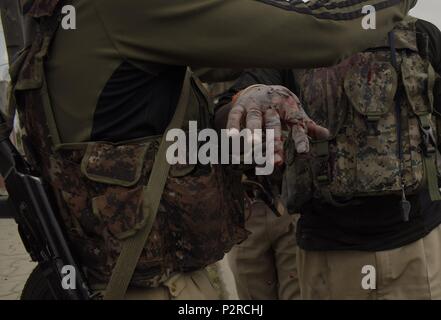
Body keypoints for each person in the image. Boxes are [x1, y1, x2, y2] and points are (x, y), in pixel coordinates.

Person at [3, 0, 413, 300]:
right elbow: (321, 33)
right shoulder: (124, 9)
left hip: (106, 275)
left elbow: (135, 134)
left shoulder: (53, 21)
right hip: (153, 287)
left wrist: (239, 104)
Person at [218, 12, 441, 299]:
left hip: (417, 247)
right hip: (329, 251)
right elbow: (227, 110)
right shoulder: (291, 40)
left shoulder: (421, 36)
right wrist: (250, 98)